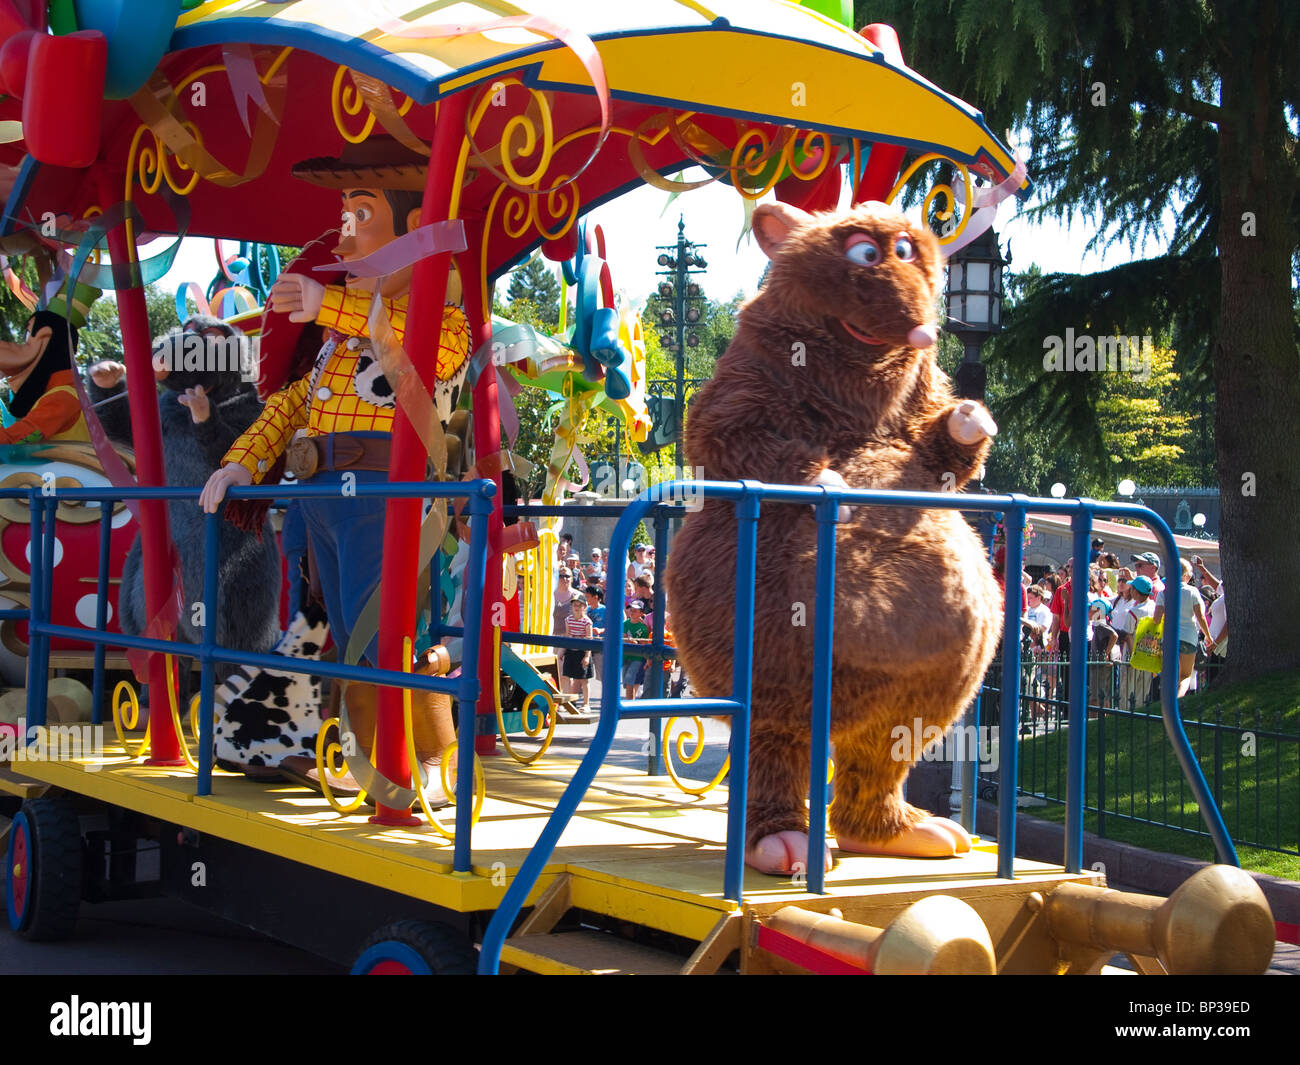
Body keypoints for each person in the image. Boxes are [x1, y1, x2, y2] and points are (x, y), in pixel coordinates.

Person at [199, 137, 471, 786]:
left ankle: (419, 759)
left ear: (414, 230)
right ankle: (374, 759)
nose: (343, 243)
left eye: (361, 219)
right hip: (321, 499)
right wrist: (241, 464)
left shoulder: (444, 321)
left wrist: (332, 307)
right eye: (343, 221)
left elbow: (424, 355)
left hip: (381, 496)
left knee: (383, 633)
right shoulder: (334, 347)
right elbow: (290, 406)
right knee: (349, 633)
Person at [1153, 558, 1211, 697]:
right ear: (1187, 575)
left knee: (1170, 673)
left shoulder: (1163, 593)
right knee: (1185, 675)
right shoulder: (1192, 591)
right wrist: (1208, 636)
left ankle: (1167, 700)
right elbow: (1200, 616)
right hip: (1188, 637)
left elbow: (1156, 618)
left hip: (1169, 637)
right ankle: (1178, 699)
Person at [561, 596, 595, 706]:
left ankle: (586, 704)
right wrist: (563, 650)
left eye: (580, 605)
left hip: (582, 652)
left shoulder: (587, 622)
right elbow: (567, 635)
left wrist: (586, 656)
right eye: (575, 605)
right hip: (571, 651)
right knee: (566, 676)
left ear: (584, 607)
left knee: (583, 679)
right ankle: (567, 702)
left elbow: (589, 640)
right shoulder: (568, 620)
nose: (577, 607)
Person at [622, 599, 650, 699]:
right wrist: (626, 639)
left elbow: (644, 644)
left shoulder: (643, 628)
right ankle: (629, 702)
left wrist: (635, 642)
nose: (632, 612)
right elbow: (623, 636)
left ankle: (629, 704)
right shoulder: (625, 623)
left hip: (637, 658)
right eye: (631, 609)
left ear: (641, 613)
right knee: (626, 682)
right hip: (625, 656)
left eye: (635, 610)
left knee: (630, 681)